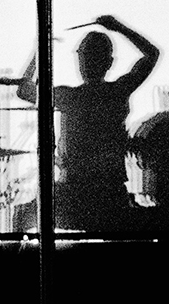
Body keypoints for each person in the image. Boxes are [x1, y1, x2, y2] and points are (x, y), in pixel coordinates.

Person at [18, 14, 159, 231]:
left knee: (24, 218)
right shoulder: (118, 92)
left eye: (84, 57)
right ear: (109, 62)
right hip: (110, 193)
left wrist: (40, 50)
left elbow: (23, 90)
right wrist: (119, 27)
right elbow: (151, 54)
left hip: (74, 192)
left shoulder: (69, 97)